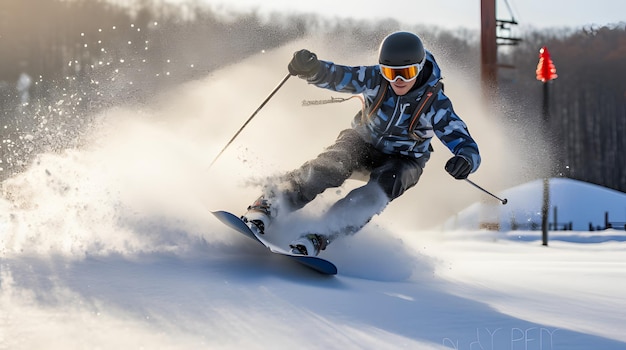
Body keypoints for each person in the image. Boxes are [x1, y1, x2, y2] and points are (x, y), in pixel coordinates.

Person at [242, 31, 480, 256]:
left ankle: (320, 235)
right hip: (363, 141)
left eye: (405, 73)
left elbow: (461, 137)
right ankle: (269, 205)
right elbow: (339, 76)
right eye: (389, 72)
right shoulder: (374, 79)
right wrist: (312, 69)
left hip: (404, 159)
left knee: (378, 191)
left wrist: (465, 159)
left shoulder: (435, 102)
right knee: (329, 166)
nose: (397, 80)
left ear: (419, 68)